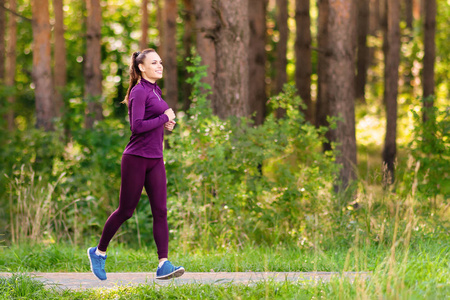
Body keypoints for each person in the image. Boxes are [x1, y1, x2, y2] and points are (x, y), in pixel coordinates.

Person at [87, 48, 184, 281]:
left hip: (155, 158)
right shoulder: (139, 91)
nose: (160, 65)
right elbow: (137, 126)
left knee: (160, 210)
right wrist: (164, 118)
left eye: (160, 61)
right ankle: (98, 253)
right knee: (126, 211)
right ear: (142, 67)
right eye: (154, 62)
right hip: (136, 158)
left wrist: (167, 124)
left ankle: (163, 264)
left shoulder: (155, 90)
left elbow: (157, 119)